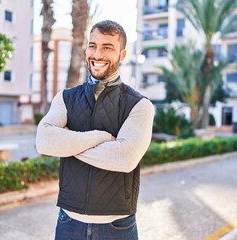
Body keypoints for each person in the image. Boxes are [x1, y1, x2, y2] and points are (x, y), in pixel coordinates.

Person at [36, 20, 154, 240]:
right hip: (68, 223)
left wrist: (67, 144)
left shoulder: (139, 105)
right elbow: (44, 142)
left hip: (117, 227)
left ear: (122, 54)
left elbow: (125, 159)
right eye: (92, 45)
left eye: (107, 47)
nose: (97, 54)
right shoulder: (65, 98)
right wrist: (101, 137)